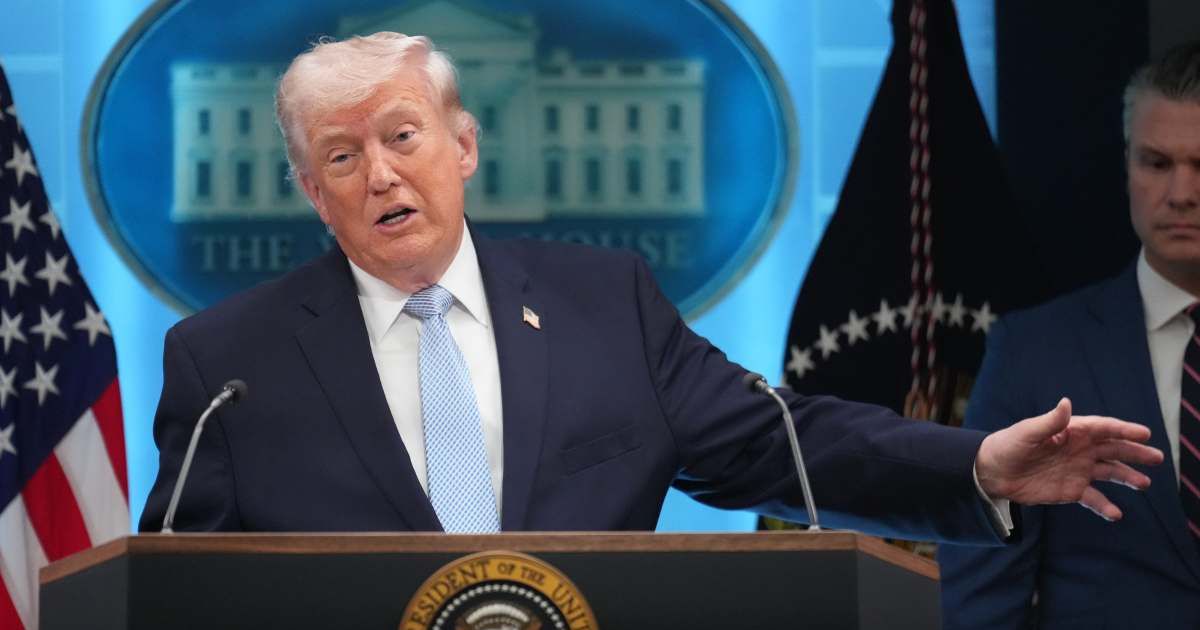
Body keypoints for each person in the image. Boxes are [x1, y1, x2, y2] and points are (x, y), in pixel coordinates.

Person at [139, 33, 1159, 541]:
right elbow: (173, 589)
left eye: (403, 137)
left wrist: (973, 461)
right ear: (315, 194)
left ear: (464, 145)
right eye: (342, 157)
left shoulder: (604, 305)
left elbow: (780, 442)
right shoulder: (228, 365)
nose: (383, 174)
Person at [938, 41, 1200, 629]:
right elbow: (984, 593)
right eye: (1157, 163)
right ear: (1127, 163)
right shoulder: (1033, 351)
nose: (1181, 194)